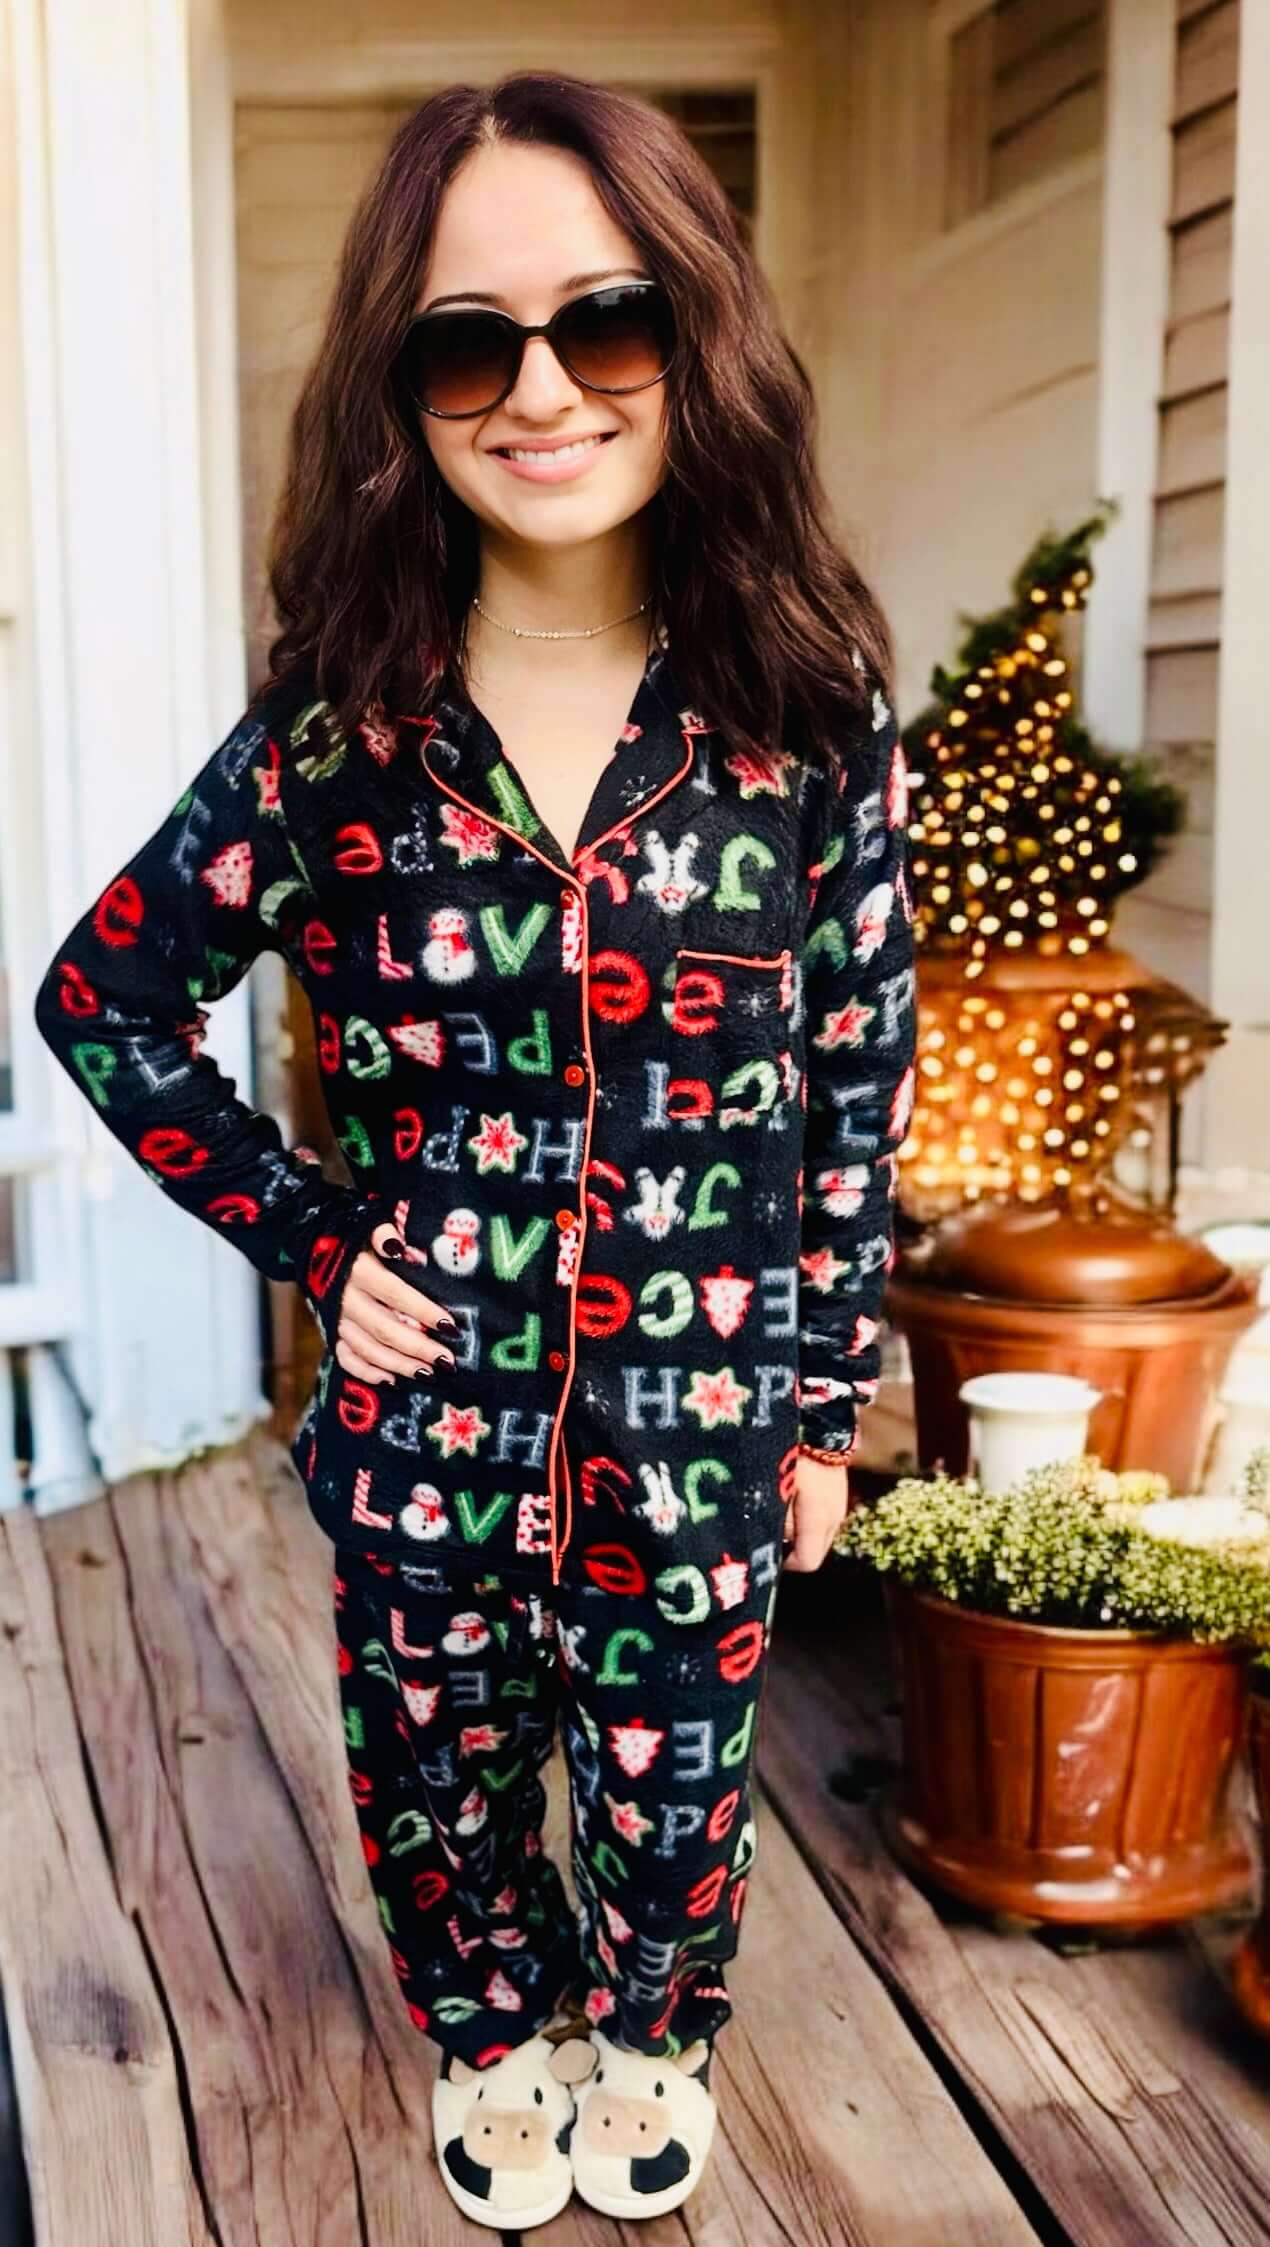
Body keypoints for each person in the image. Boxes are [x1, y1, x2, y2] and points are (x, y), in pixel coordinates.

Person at [33, 69, 916, 2230]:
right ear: (399, 384)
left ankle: (649, 2025)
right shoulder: (337, 735)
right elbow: (105, 999)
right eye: (465, 339)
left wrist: (813, 1405)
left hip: (694, 1415)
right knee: (433, 1777)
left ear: (689, 343)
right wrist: (317, 1229)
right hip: (431, 1420)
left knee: (676, 1778)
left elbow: (848, 1088)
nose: (538, 389)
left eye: (599, 323)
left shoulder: (800, 713)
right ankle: (499, 2034)